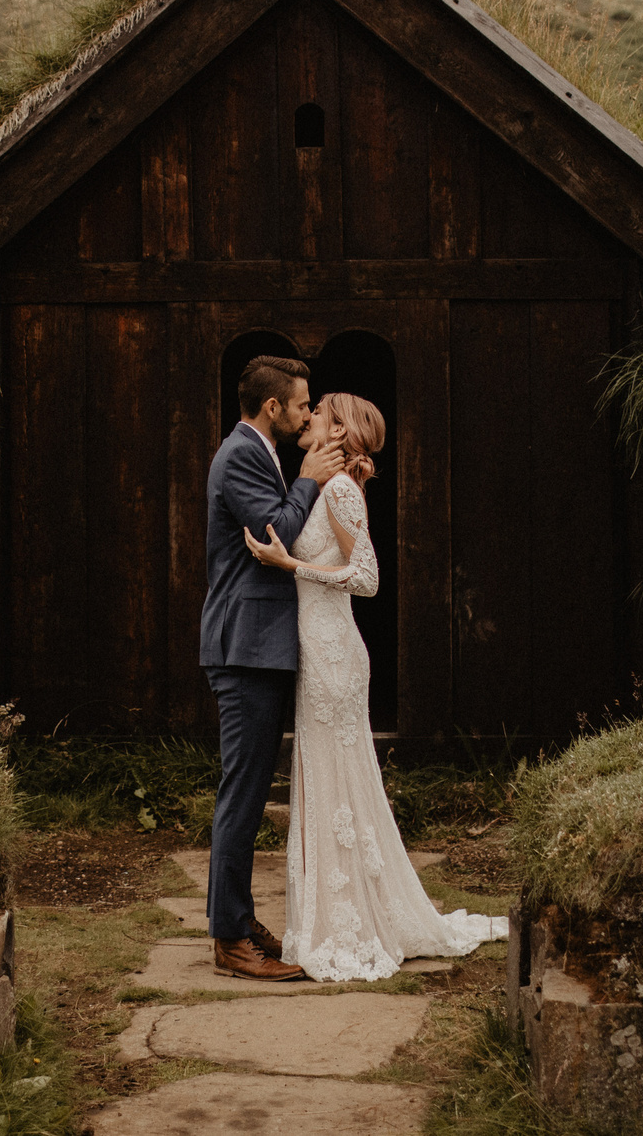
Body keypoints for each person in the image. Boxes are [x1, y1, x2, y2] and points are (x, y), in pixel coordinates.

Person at [244, 390, 509, 981]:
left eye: (319, 412)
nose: (308, 416)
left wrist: (291, 567)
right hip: (319, 648)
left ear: (338, 430)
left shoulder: (339, 490)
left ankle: (346, 921)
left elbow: (366, 578)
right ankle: (331, 915)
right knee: (322, 776)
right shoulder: (321, 486)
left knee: (335, 776)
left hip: (336, 651)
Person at [199, 354, 344, 981]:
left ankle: (235, 919)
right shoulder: (241, 457)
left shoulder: (259, 452)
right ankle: (230, 939)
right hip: (245, 646)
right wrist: (310, 479)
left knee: (251, 791)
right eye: (302, 403)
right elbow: (273, 542)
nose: (309, 413)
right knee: (244, 792)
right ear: (271, 408)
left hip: (261, 645)